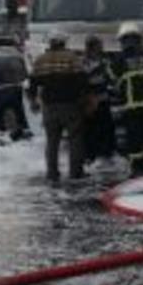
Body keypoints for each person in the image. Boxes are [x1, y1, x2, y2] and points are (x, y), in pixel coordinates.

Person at [27, 31, 89, 182]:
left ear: (50, 43)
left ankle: (52, 173)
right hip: (70, 105)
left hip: (49, 106)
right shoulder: (72, 58)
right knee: (75, 139)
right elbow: (82, 81)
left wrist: (33, 101)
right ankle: (76, 172)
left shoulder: (40, 60)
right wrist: (84, 100)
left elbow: (33, 83)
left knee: (52, 141)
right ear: (64, 42)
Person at [111, 22, 143, 176]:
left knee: (134, 139)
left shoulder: (120, 58)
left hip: (132, 106)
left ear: (124, 40)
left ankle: (137, 169)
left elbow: (113, 80)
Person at [83, 36, 116, 167]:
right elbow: (84, 80)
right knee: (91, 129)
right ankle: (91, 156)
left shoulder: (104, 61)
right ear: (92, 47)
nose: (101, 48)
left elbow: (110, 78)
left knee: (107, 127)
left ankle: (106, 154)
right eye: (99, 46)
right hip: (91, 101)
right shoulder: (84, 63)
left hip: (103, 100)